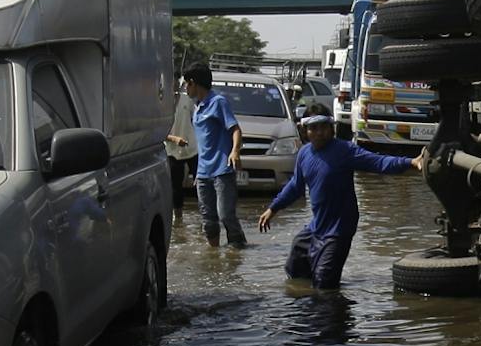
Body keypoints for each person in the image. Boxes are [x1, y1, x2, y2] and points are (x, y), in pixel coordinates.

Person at [257, 107, 424, 289]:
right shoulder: (304, 154)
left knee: (324, 284)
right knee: (294, 269)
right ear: (305, 131)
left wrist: (410, 162)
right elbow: (295, 187)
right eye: (313, 128)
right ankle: (304, 311)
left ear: (331, 128)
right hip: (316, 227)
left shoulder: (345, 150)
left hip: (338, 230)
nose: (319, 133)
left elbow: (378, 162)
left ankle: (334, 313)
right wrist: (273, 208)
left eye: (323, 127)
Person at [176, 62, 247, 247]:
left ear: (193, 83)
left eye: (186, 84)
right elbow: (203, 142)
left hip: (222, 169)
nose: (185, 88)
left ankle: (237, 249)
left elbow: (235, 129)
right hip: (203, 172)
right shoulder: (197, 106)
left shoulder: (218, 102)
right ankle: (214, 256)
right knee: (208, 221)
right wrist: (198, 172)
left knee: (225, 215)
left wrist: (235, 151)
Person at [163, 84, 196, 218]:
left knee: (202, 183)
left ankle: (206, 218)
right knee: (175, 188)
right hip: (172, 151)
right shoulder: (162, 104)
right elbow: (158, 131)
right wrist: (174, 139)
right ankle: (178, 219)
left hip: (192, 149)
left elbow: (196, 121)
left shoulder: (187, 99)